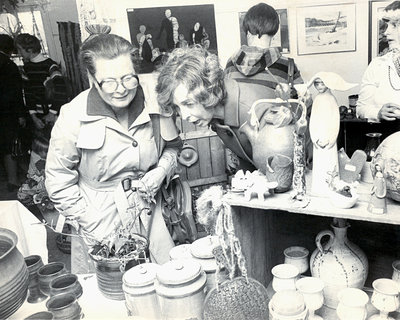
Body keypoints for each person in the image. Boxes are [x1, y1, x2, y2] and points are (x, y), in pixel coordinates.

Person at [45, 33, 181, 273]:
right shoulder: (73, 115)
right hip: (98, 218)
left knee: (164, 281)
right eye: (108, 82)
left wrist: (160, 171)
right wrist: (89, 222)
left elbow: (173, 148)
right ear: (91, 78)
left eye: (129, 78)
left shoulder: (155, 102)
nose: (121, 90)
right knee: (112, 289)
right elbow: (58, 180)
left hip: (150, 210)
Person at [14, 33, 70, 207]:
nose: (19, 53)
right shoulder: (26, 68)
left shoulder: (51, 66)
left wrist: (52, 113)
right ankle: (40, 189)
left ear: (30, 50)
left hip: (55, 118)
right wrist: (33, 115)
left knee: (58, 152)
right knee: (39, 153)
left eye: (20, 50)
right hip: (38, 119)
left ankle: (57, 189)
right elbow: (28, 94)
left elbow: (61, 90)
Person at [356, 0, 400, 139]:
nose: (386, 32)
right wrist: (378, 113)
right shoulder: (377, 65)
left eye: (394, 25)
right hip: (388, 140)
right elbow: (361, 109)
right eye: (387, 25)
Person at [0, 34, 26, 193]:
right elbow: (16, 93)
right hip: (7, 112)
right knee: (10, 145)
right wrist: (21, 114)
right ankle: (13, 180)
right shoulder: (9, 65)